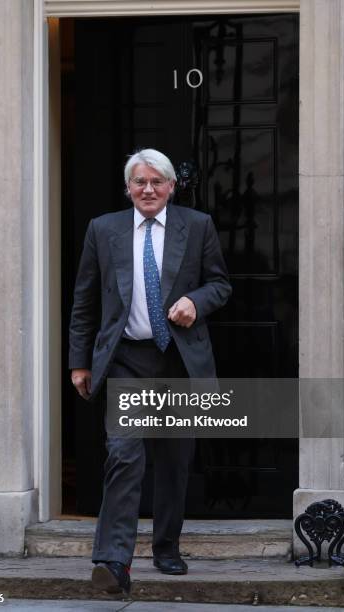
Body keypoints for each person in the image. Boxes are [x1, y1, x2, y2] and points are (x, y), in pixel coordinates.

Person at [69, 148, 231, 594]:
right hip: (127, 358)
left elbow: (220, 283)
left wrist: (195, 302)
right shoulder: (103, 231)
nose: (148, 189)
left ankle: (166, 548)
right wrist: (80, 361)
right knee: (123, 454)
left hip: (179, 360)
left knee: (174, 460)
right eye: (140, 182)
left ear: (171, 187)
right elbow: (84, 301)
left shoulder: (197, 226)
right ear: (128, 188)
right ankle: (113, 560)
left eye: (157, 181)